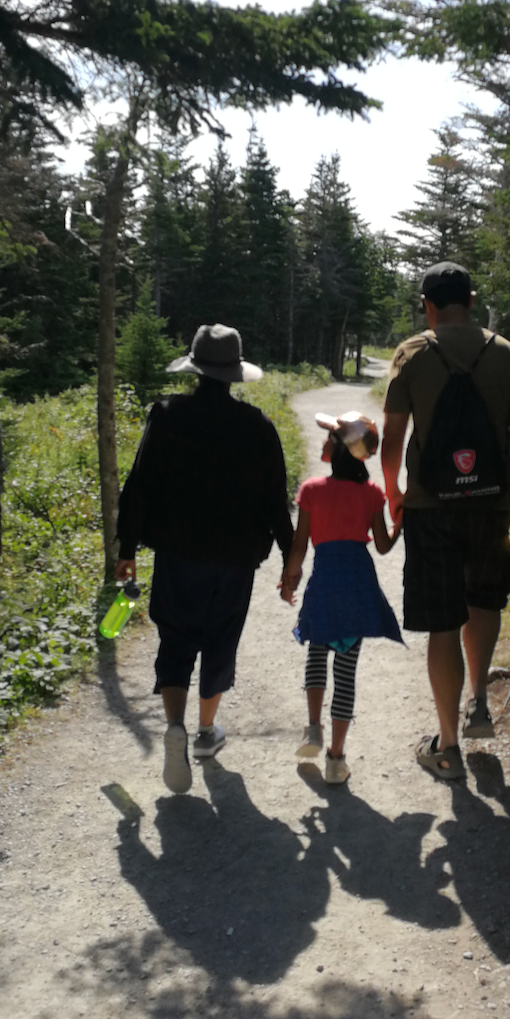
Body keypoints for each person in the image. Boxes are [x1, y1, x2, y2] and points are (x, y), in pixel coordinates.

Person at [381, 262, 510, 782]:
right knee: (482, 600)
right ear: (472, 302)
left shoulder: (412, 353)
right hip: (491, 503)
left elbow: (392, 437)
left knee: (442, 620)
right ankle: (479, 702)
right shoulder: (506, 354)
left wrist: (393, 493)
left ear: (427, 305)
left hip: (431, 508)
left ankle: (448, 747)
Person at [116, 323, 292, 795]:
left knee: (175, 640)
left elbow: (139, 486)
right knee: (219, 642)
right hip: (235, 560)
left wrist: (125, 550)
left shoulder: (168, 415)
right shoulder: (258, 427)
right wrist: (292, 561)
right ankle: (205, 733)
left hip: (178, 554)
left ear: (195, 367)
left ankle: (174, 723)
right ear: (235, 374)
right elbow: (277, 501)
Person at [280, 411, 402, 785]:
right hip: (359, 586)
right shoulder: (371, 494)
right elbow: (381, 547)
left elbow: (299, 545)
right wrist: (400, 525)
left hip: (325, 583)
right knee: (346, 672)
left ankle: (313, 728)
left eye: (328, 439)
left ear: (339, 448)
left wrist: (289, 580)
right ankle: (336, 759)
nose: (323, 444)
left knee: (316, 654)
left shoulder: (313, 491)